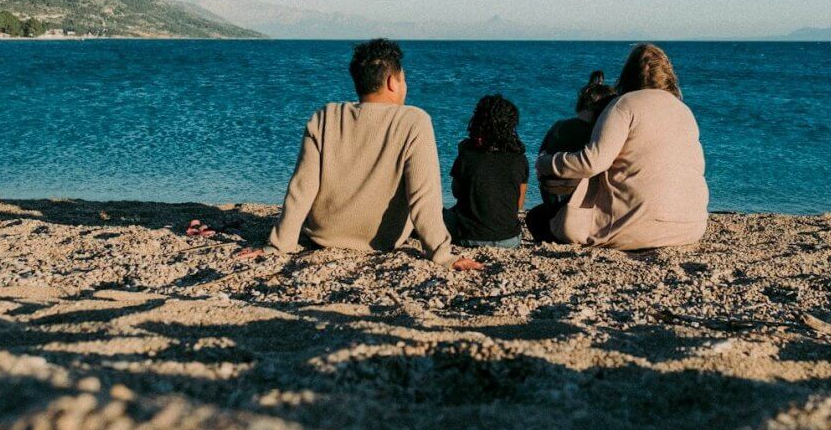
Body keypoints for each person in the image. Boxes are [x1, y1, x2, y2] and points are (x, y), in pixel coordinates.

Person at [238, 39, 482, 270]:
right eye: (403, 79)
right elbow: (423, 196)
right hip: (382, 240)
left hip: (324, 235)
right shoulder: (414, 120)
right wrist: (442, 255)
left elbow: (302, 188)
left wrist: (280, 245)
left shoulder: (326, 116)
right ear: (392, 82)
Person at [527, 43, 708, 249]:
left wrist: (547, 162)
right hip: (691, 227)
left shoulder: (624, 105)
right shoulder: (684, 111)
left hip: (636, 230)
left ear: (627, 75)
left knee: (538, 218)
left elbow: (592, 162)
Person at [444, 95, 528, 248]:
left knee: (439, 213)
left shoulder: (467, 155)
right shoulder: (520, 159)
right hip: (510, 239)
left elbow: (456, 192)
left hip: (470, 238)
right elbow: (518, 205)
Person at [537, 70, 616, 204]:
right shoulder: (599, 132)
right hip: (581, 197)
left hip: (550, 192)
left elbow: (541, 157)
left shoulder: (558, 126)